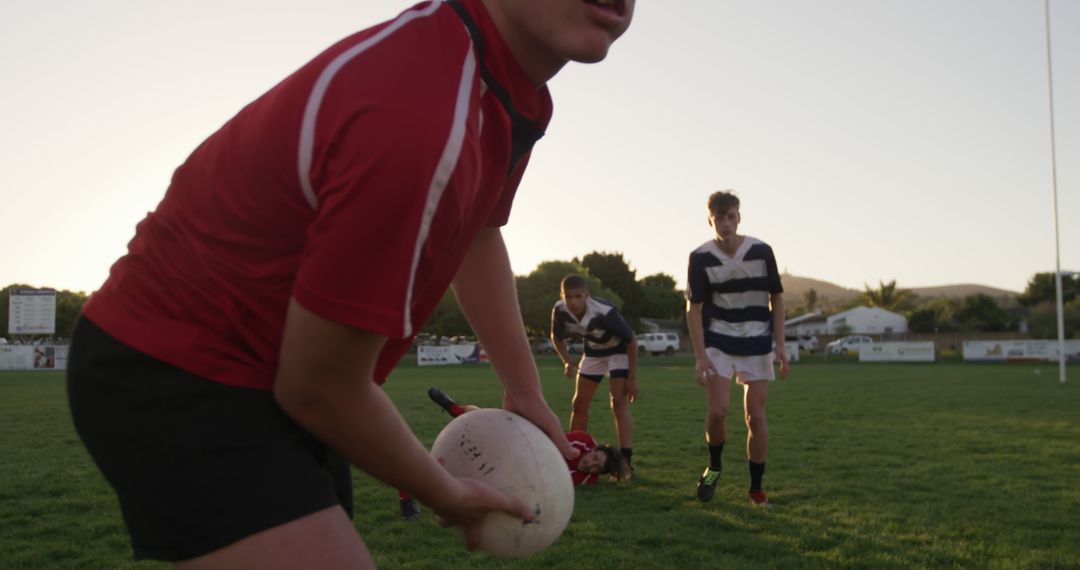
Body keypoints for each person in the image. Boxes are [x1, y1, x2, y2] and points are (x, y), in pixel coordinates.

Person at [65, 0, 636, 567]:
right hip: (178, 368)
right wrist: (444, 492)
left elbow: (479, 234)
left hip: (272, 377)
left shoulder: (513, 93)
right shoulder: (423, 115)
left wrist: (525, 391)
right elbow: (320, 387)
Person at [685, 190, 789, 507]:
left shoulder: (761, 251)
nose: (725, 223)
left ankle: (756, 490)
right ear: (710, 220)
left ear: (739, 217)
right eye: (719, 218)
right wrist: (701, 356)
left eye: (730, 217)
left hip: (757, 340)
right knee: (717, 412)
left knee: (755, 417)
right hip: (718, 339)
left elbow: (778, 299)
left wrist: (781, 346)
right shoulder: (700, 257)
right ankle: (714, 467)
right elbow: (694, 309)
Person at [550, 274, 639, 477]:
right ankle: (572, 455)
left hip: (618, 352)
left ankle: (626, 462)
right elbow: (556, 336)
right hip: (593, 353)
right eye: (568, 296)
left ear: (587, 295)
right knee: (579, 404)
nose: (573, 301)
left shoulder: (604, 311)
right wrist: (566, 360)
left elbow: (631, 340)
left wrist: (632, 378)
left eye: (578, 296)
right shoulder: (560, 309)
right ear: (562, 296)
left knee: (618, 402)